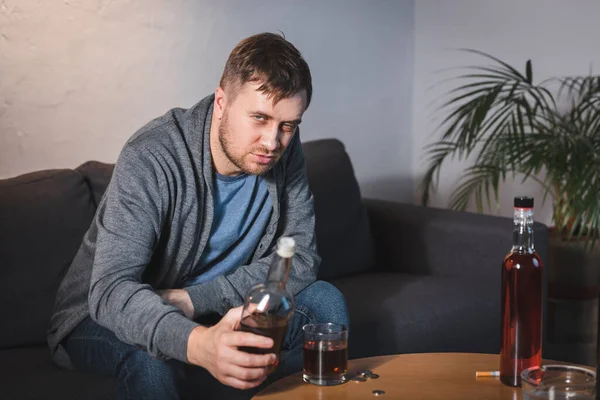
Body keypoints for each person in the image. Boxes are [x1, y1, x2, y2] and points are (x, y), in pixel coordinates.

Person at [47, 32, 349, 400]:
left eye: (288, 125)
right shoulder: (153, 156)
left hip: (206, 307)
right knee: (151, 358)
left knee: (325, 302)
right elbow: (111, 291)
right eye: (259, 117)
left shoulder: (285, 150)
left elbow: (301, 258)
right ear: (221, 101)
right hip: (103, 314)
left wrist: (194, 300)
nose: (273, 142)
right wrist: (198, 343)